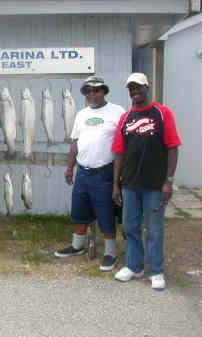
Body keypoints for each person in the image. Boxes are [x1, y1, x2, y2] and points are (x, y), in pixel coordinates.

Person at [112, 73, 181, 290]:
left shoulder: (162, 113)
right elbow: (119, 153)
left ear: (147, 88)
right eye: (131, 89)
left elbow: (172, 147)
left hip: (155, 184)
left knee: (154, 229)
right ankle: (134, 266)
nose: (135, 92)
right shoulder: (125, 117)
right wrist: (116, 184)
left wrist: (168, 181)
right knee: (130, 227)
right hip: (130, 184)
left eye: (138, 88)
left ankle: (156, 271)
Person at [51, 76, 125, 271]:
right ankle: (77, 246)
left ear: (104, 91)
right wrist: (69, 167)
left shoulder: (117, 111)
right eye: (88, 91)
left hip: (105, 172)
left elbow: (124, 144)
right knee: (79, 211)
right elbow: (75, 142)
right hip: (83, 172)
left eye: (96, 90)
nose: (92, 94)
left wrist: (118, 179)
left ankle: (110, 253)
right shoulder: (81, 114)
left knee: (106, 213)